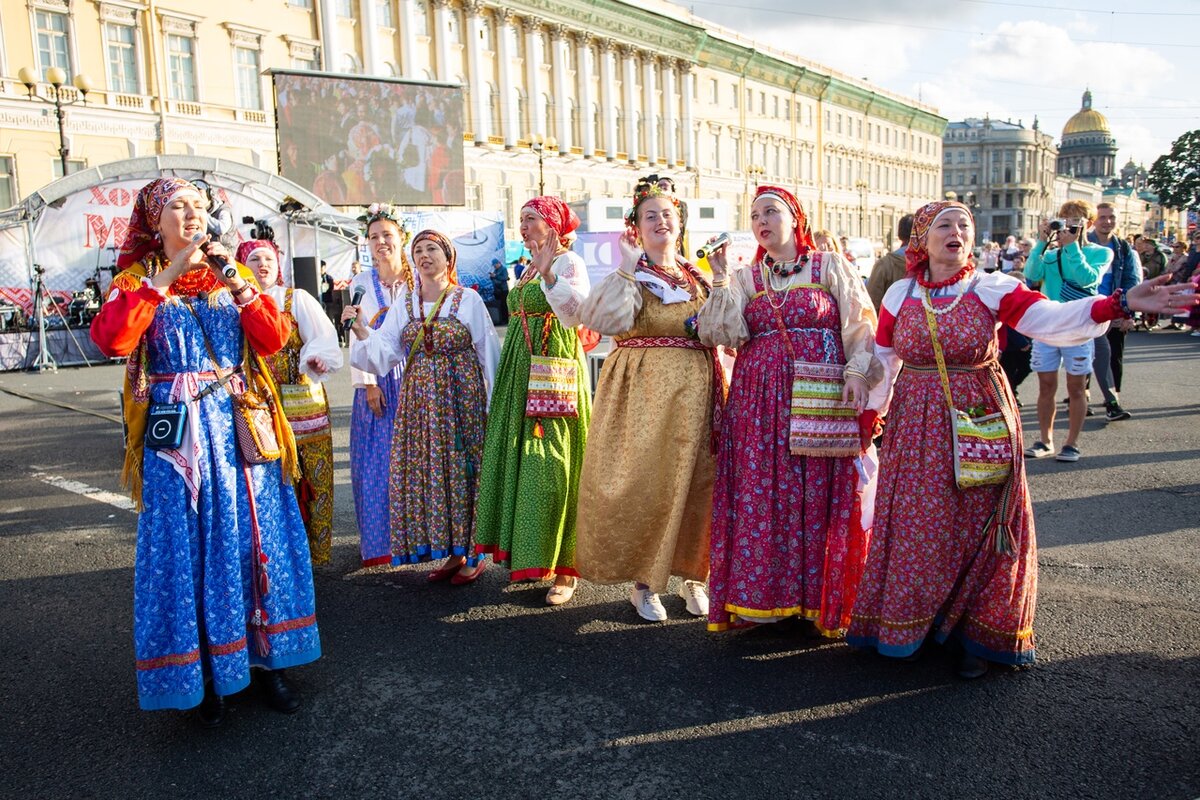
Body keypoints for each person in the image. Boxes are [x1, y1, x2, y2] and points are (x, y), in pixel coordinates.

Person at [845, 200, 1196, 679]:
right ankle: (916, 624)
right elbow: (885, 359)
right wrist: (871, 414)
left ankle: (976, 633)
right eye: (944, 225)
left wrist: (1119, 303)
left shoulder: (991, 287)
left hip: (979, 416)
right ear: (922, 240)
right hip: (914, 425)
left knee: (982, 525)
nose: (957, 232)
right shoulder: (899, 295)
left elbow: (1049, 319)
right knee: (918, 524)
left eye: (964, 225)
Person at [90, 177, 320, 724]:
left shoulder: (229, 272)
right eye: (178, 206)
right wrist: (168, 276)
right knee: (187, 549)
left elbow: (273, 338)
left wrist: (237, 282)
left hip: (238, 422)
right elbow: (113, 340)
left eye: (199, 205)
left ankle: (269, 662)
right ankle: (209, 673)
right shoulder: (134, 280)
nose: (192, 214)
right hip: (178, 434)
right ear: (154, 220)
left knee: (253, 540)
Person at [698, 185, 881, 634]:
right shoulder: (745, 278)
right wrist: (719, 278)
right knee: (764, 498)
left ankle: (817, 601)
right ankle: (767, 600)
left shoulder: (828, 265)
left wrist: (857, 373)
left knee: (818, 496)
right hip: (759, 403)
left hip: (820, 394)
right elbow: (720, 333)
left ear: (795, 217)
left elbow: (860, 323)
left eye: (772, 211)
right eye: (756, 214)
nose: (762, 220)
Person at [575, 184, 726, 621]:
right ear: (636, 228)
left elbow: (723, 331)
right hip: (642, 397)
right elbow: (603, 322)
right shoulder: (632, 274)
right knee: (649, 483)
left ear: (680, 223)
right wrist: (624, 268)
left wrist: (720, 278)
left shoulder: (695, 276)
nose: (661, 222)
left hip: (697, 393)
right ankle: (644, 583)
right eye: (650, 216)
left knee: (700, 482)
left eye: (667, 214)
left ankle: (694, 577)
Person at [345, 230, 499, 581]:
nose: (424, 255)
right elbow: (385, 352)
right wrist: (360, 330)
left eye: (432, 249)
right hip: (420, 403)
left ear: (449, 258)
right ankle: (452, 552)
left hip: (462, 402)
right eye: (418, 250)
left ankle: (474, 552)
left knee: (463, 470)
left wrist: (493, 404)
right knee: (431, 473)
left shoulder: (467, 300)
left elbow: (488, 353)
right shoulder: (407, 303)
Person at [475, 197, 592, 604]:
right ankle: (534, 555)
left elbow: (578, 315)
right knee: (524, 462)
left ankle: (565, 567)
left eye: (531, 219)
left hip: (552, 366)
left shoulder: (567, 263)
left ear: (553, 225)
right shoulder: (527, 266)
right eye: (521, 220)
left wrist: (550, 277)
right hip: (521, 368)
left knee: (553, 462)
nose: (523, 227)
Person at [242, 239, 343, 565]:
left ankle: (312, 555)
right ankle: (272, 553)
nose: (262, 265)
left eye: (268, 258)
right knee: (266, 480)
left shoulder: (295, 298)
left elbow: (324, 338)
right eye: (254, 258)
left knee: (312, 477)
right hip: (256, 408)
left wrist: (314, 360)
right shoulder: (235, 304)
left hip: (302, 403)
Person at [348, 205, 412, 567]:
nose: (381, 242)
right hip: (377, 377)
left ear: (401, 237)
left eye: (387, 235)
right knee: (375, 463)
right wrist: (369, 383)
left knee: (416, 462)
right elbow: (357, 336)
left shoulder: (417, 277)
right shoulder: (360, 283)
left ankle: (416, 537)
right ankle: (379, 542)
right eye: (374, 237)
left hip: (415, 374)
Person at [1022, 202, 1110, 462]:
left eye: (1076, 219)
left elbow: (1087, 279)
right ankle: (1045, 439)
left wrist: (1071, 247)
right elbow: (1032, 274)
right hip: (1049, 325)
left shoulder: (1100, 253)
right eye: (1065, 219)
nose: (1069, 224)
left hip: (1079, 327)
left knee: (1076, 387)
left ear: (1088, 224)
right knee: (1046, 385)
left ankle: (1071, 442)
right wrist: (1041, 242)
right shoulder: (1052, 253)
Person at [1088, 202, 1142, 421]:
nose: (1107, 221)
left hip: (1114, 307)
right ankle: (1082, 397)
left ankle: (1112, 400)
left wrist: (1128, 312)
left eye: (1111, 217)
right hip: (1088, 308)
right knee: (1085, 355)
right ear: (1094, 220)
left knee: (1113, 355)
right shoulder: (1084, 243)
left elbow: (1132, 280)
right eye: (1102, 217)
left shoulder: (1123, 247)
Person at [867, 214, 914, 311]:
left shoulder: (884, 264)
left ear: (899, 234)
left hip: (889, 320)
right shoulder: (932, 263)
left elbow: (872, 301)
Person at [489, 258, 510, 325]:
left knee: (504, 305)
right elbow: (494, 278)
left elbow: (505, 278)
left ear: (498, 263)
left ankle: (506, 320)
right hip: (498, 291)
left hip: (503, 290)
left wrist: (495, 276)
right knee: (500, 306)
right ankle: (501, 320)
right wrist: (492, 276)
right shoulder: (496, 270)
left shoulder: (503, 269)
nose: (494, 266)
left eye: (495, 265)